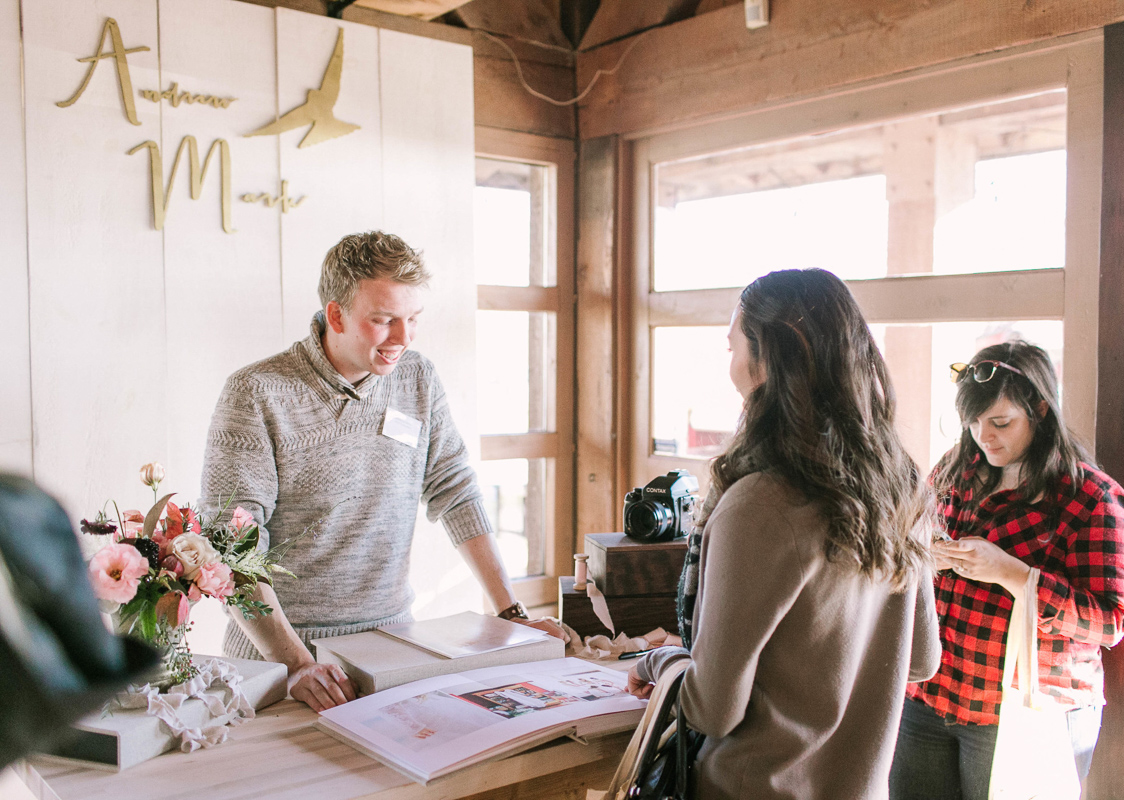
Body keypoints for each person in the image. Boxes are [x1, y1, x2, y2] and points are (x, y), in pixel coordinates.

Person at [199, 231, 564, 713]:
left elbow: (455, 492)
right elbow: (231, 549)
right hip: (281, 665)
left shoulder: (417, 378)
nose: (403, 338)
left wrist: (511, 614)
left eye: (413, 319)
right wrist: (296, 664)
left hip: (395, 649)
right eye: (383, 320)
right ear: (336, 315)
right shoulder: (256, 393)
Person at [627, 268, 941, 800]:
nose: (729, 366)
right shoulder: (901, 485)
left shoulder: (761, 503)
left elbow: (712, 708)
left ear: (767, 357)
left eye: (733, 347)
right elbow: (921, 659)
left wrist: (657, 661)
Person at [889, 340, 1124, 800]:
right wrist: (926, 551)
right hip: (931, 692)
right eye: (974, 423)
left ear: (1040, 410)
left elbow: (1111, 620)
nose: (986, 436)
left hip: (1023, 706)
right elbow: (912, 534)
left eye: (1001, 422)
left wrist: (1015, 575)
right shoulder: (956, 468)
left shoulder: (1091, 498)